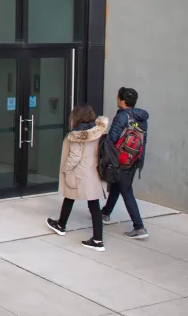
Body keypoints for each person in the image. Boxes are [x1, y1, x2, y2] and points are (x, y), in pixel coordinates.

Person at [47, 105, 109, 251]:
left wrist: (65, 169)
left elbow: (75, 156)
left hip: (79, 173)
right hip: (93, 172)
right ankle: (94, 237)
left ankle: (95, 239)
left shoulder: (76, 134)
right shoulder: (97, 131)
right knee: (92, 205)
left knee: (71, 196)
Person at [101, 87, 149, 239]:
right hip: (134, 159)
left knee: (126, 190)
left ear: (122, 101)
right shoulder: (142, 117)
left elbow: (112, 139)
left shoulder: (122, 116)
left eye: (118, 98)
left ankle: (139, 227)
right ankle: (105, 213)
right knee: (118, 185)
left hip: (121, 159)